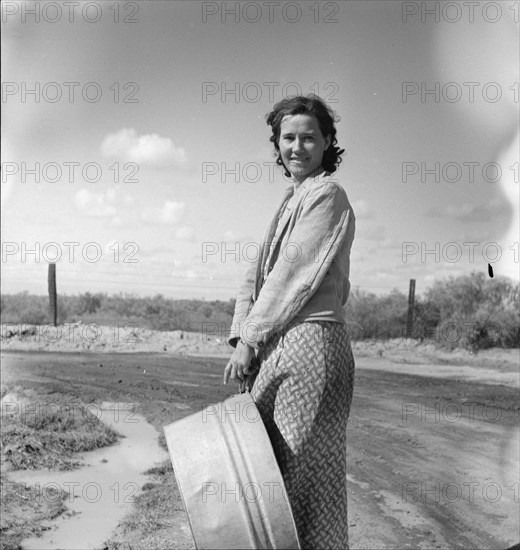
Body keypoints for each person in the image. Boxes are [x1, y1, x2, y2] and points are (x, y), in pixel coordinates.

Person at [223, 94, 356, 550]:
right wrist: (243, 336)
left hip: (313, 346)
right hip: (280, 344)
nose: (297, 146)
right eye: (288, 137)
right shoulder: (290, 201)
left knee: (300, 478)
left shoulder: (327, 196)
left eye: (308, 137)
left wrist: (251, 341)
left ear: (327, 142)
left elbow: (290, 278)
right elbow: (254, 277)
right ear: (277, 144)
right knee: (269, 470)